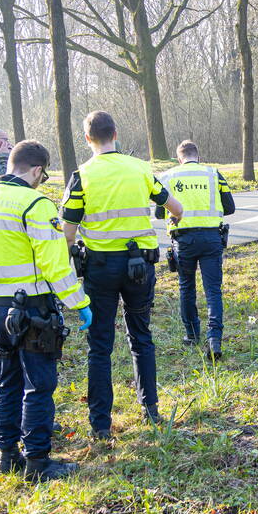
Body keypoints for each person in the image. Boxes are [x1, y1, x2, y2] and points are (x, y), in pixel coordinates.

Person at [0, 140, 91, 480]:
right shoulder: (34, 204)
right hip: (32, 309)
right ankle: (38, 461)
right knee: (39, 385)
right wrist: (80, 303)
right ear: (35, 170)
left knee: (7, 381)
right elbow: (55, 264)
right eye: (42, 175)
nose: (41, 180)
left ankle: (8, 455)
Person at [60, 111, 183, 439]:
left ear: (87, 139)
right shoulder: (141, 168)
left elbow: (67, 232)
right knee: (141, 336)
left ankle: (100, 424)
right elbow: (177, 208)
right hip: (139, 268)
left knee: (99, 345)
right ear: (116, 133)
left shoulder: (81, 176)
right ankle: (151, 410)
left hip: (99, 268)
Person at [158, 140, 235, 359]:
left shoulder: (168, 176)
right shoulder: (214, 174)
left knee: (186, 287)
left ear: (179, 158)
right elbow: (230, 207)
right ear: (198, 156)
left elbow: (158, 211)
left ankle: (192, 335)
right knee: (213, 290)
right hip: (211, 238)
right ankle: (215, 339)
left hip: (184, 241)